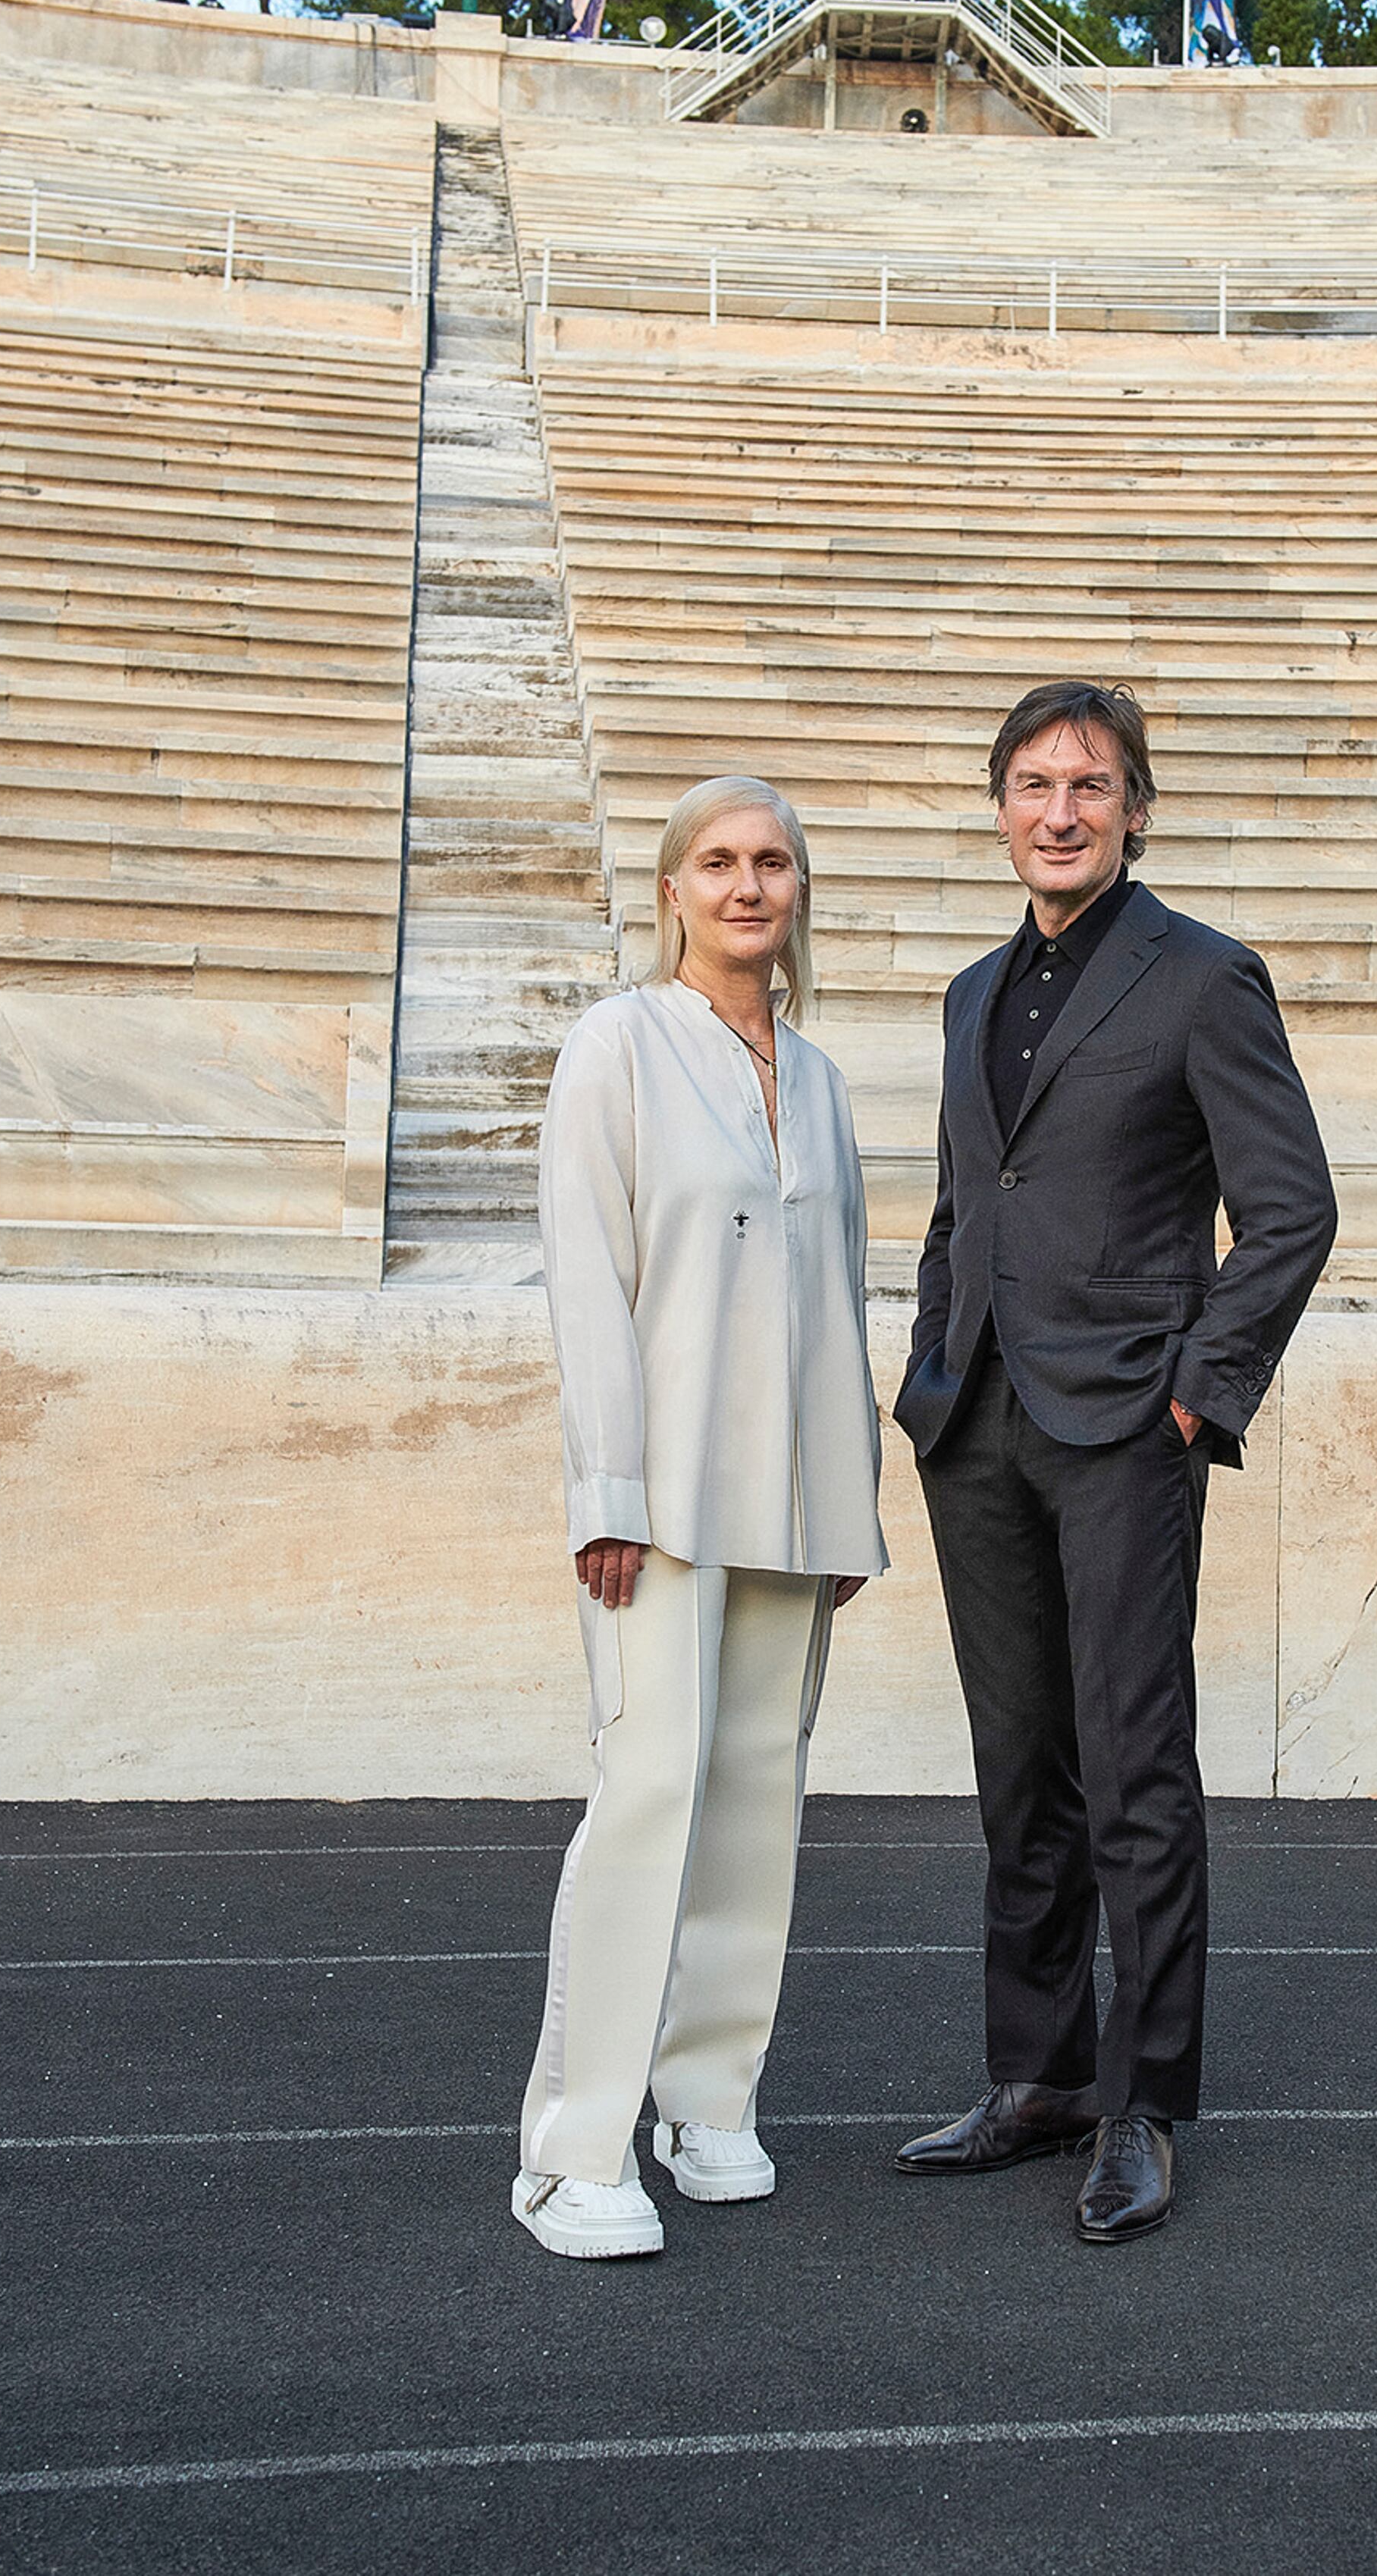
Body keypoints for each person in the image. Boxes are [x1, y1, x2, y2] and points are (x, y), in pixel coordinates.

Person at [892, 682, 1337, 2244]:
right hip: (979, 1428)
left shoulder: (1204, 978)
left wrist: (1193, 1397)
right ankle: (1040, 2076)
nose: (1058, 809)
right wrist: (929, 1364)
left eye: (1088, 784)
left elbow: (1289, 1212)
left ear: (1135, 808)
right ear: (998, 806)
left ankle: (1141, 2103)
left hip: (1126, 1430)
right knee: (1021, 1772)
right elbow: (968, 1200)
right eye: (1030, 783)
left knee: (1134, 1773)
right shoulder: (964, 994)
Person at [515, 774, 887, 2262]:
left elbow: (838, 1300)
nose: (748, 887)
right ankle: (571, 2147)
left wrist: (845, 1503)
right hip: (656, 1505)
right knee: (650, 1789)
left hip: (792, 1504)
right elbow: (585, 1277)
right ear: (671, 890)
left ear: (799, 889)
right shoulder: (616, 1047)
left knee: (755, 1805)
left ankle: (705, 2095)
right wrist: (605, 1491)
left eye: (773, 863)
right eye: (719, 863)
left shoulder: (821, 1076)